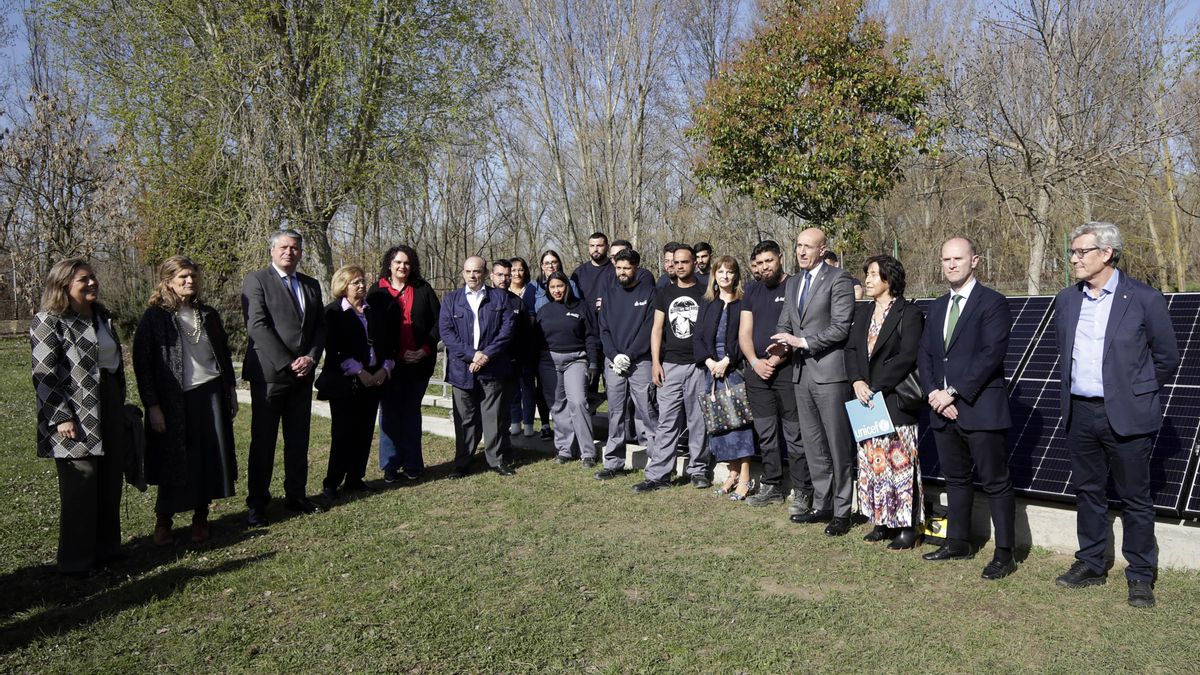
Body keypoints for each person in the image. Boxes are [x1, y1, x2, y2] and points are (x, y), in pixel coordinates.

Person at [1051, 222, 1179, 608]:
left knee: (1135, 498)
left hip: (1126, 414)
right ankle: (1091, 563)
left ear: (1106, 253)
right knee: (1088, 491)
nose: (1074, 259)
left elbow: (1166, 357)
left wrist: (1135, 392)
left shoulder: (1143, 298)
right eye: (1072, 252)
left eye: (1081, 252)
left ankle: (1140, 574)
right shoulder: (1066, 300)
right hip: (1080, 411)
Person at [918, 236, 1017, 580]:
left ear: (974, 260)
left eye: (958, 258)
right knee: (956, 479)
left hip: (980, 409)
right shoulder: (936, 307)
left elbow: (991, 355)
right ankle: (958, 542)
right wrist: (934, 393)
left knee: (995, 482)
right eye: (946, 259)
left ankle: (1005, 553)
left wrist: (953, 393)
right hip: (941, 410)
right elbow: (926, 355)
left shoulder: (993, 303)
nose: (951, 265)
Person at [133, 256, 238, 546]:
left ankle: (201, 518)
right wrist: (153, 406)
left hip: (210, 394)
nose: (190, 281)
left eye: (193, 276)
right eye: (183, 277)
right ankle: (163, 520)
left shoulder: (207, 314)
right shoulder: (155, 318)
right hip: (173, 401)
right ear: (168, 281)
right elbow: (143, 365)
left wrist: (230, 391)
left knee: (208, 459)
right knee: (174, 461)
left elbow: (224, 355)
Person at [31, 258, 127, 575]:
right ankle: (77, 562)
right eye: (83, 279)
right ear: (63, 285)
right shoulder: (49, 321)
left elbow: (112, 362)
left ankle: (108, 550)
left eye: (93, 277)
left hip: (109, 401)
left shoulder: (102, 316)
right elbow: (44, 374)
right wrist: (60, 416)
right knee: (81, 485)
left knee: (110, 479)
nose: (92, 283)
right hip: (75, 410)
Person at [770, 228, 857, 537]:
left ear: (822, 249)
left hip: (830, 374)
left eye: (808, 246)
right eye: (798, 246)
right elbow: (785, 322)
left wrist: (803, 342)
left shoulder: (839, 279)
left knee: (837, 445)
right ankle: (823, 505)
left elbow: (841, 327)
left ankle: (843, 511)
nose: (801, 252)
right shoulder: (794, 282)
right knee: (813, 444)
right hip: (800, 373)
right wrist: (780, 344)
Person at [241, 229, 326, 525]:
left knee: (298, 440)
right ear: (272, 251)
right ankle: (257, 504)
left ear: (301, 252)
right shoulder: (257, 280)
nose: (289, 252)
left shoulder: (311, 284)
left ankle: (296, 496)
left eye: (295, 248)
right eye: (284, 247)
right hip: (270, 374)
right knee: (263, 442)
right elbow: (257, 325)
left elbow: (319, 327)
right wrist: (288, 363)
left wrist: (311, 358)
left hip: (302, 375)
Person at [843, 255, 924, 549]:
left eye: (874, 274)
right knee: (872, 462)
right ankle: (881, 521)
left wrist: (876, 386)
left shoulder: (908, 313)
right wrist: (857, 381)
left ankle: (906, 526)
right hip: (865, 400)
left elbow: (908, 355)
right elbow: (851, 351)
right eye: (867, 274)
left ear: (889, 279)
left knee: (899, 464)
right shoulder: (864, 312)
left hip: (893, 399)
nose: (867, 279)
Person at [738, 241, 810, 513]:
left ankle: (803, 490)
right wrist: (755, 362)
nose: (764, 267)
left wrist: (774, 361)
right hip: (757, 372)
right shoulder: (752, 290)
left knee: (794, 434)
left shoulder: (795, 286)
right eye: (759, 263)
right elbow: (744, 332)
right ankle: (772, 486)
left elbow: (798, 329)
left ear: (780, 257)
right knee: (766, 433)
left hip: (788, 370)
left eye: (768, 261)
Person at [316, 265, 394, 501]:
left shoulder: (373, 311)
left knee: (364, 432)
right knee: (343, 434)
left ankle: (355, 478)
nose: (361, 285)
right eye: (355, 282)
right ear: (343, 286)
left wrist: (384, 369)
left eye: (362, 281)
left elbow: (387, 343)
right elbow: (334, 350)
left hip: (373, 380)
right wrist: (360, 371)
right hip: (345, 382)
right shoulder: (333, 312)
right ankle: (332, 482)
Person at [638, 244, 710, 492]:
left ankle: (698, 470)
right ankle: (659, 474)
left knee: (698, 421)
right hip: (670, 365)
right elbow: (656, 329)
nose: (679, 266)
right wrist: (656, 363)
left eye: (684, 262)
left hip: (698, 365)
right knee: (667, 421)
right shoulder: (664, 292)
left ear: (694, 263)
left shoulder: (705, 291)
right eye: (676, 262)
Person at [440, 256, 517, 477]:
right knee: (464, 419)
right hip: (461, 369)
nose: (472, 276)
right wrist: (472, 355)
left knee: (493, 417)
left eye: (476, 271)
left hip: (492, 368)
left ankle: (496, 460)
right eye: (468, 271)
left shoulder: (500, 298)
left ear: (484, 273)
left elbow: (507, 331)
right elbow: (447, 333)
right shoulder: (451, 300)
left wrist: (486, 355)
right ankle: (463, 462)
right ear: (463, 273)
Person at [369, 245, 440, 483]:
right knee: (389, 414)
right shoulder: (377, 291)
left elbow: (439, 322)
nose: (402, 266)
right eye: (398, 262)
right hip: (388, 366)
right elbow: (373, 330)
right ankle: (390, 465)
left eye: (407, 263)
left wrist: (425, 349)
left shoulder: (423, 289)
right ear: (389, 264)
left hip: (419, 364)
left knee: (411, 413)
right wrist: (397, 354)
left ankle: (412, 463)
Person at [595, 248, 660, 480]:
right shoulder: (609, 293)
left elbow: (649, 329)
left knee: (647, 411)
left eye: (627, 268)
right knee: (616, 412)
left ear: (636, 268)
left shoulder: (649, 292)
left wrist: (630, 355)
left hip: (640, 362)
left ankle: (658, 461)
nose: (622, 272)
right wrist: (614, 355)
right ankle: (613, 462)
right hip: (614, 363)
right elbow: (603, 329)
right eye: (619, 268)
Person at [695, 255, 756, 500]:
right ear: (714, 275)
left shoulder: (743, 302)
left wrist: (727, 361)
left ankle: (745, 477)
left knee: (740, 423)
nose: (725, 276)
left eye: (729, 272)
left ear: (736, 275)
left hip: (734, 369)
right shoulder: (707, 302)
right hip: (712, 371)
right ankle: (731, 473)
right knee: (720, 424)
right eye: (720, 272)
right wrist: (710, 362)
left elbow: (746, 336)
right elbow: (698, 337)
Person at [533, 270, 602, 466]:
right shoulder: (544, 311)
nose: (556, 290)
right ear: (548, 289)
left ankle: (587, 452)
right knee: (558, 406)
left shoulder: (581, 307)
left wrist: (593, 362)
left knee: (578, 402)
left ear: (567, 286)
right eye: (552, 287)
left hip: (576, 360)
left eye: (560, 286)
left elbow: (591, 336)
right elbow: (536, 340)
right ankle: (565, 449)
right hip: (549, 363)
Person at [523, 250, 575, 439]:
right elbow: (527, 312)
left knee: (566, 389)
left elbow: (577, 306)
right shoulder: (533, 287)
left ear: (559, 263)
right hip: (540, 343)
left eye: (554, 262)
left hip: (565, 343)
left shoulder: (570, 284)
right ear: (541, 266)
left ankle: (568, 425)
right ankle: (545, 424)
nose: (551, 265)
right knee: (543, 387)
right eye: (547, 263)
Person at [507, 256, 542, 438]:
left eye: (520, 269)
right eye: (513, 270)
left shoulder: (532, 289)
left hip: (529, 346)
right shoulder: (503, 291)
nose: (517, 273)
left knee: (528, 385)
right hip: (509, 347)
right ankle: (515, 421)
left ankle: (528, 422)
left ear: (525, 271)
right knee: (513, 387)